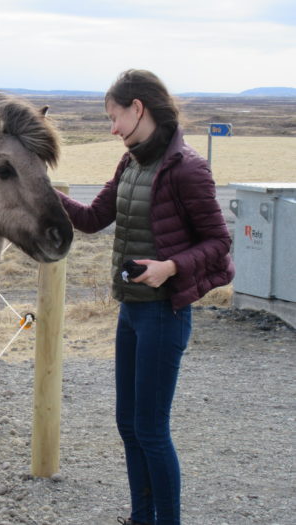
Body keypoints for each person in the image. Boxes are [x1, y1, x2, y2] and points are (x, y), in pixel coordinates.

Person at [57, 69, 235, 525]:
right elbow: (95, 218)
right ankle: (141, 517)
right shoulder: (131, 162)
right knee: (128, 425)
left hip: (164, 315)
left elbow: (218, 242)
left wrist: (170, 267)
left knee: (152, 431)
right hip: (130, 312)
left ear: (138, 109)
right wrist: (43, 191)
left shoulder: (188, 168)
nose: (111, 128)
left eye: (114, 116)